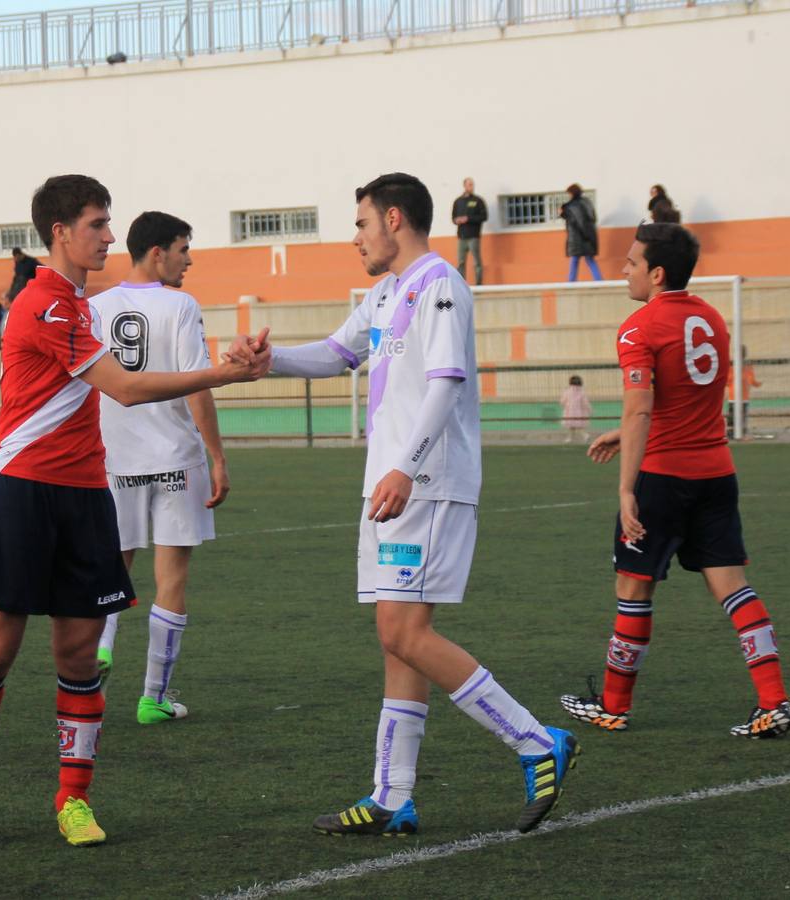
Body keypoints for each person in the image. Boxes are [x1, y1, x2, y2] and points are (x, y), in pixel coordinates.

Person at [236, 173, 578, 838]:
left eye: (361, 222)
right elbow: (337, 353)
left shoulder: (440, 284)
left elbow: (446, 384)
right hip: (391, 486)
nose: (355, 236)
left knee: (405, 635)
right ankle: (391, 796)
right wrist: (266, 359)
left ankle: (537, 741)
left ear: (393, 218)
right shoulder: (386, 291)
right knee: (397, 644)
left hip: (425, 483)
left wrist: (404, 467)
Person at [0, 174, 270, 851]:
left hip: (87, 493)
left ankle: (72, 800)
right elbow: (123, 388)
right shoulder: (45, 304)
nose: (109, 236)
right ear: (61, 231)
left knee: (79, 654)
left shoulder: (82, 303)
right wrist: (225, 373)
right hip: (20, 492)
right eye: (97, 223)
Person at [559, 223, 790, 739]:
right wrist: (621, 434)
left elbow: (643, 407)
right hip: (716, 473)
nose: (624, 270)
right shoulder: (711, 319)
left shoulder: (637, 327)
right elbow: (687, 403)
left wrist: (627, 489)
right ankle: (774, 702)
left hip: (662, 479)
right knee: (733, 587)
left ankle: (614, 707)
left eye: (630, 262)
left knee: (633, 587)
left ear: (657, 273)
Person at [89, 211, 230, 725]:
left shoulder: (96, 307)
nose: (188, 259)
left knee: (113, 566)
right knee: (171, 578)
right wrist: (217, 455)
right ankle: (154, 697)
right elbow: (197, 382)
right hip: (175, 458)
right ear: (157, 253)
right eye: (183, 248)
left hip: (115, 458)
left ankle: (100, 649)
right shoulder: (180, 305)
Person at [451, 177, 489, 285]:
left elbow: (484, 216)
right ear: (465, 186)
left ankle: (479, 285)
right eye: (470, 184)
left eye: (472, 184)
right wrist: (456, 220)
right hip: (462, 237)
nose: (472, 187)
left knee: (477, 262)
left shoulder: (478, 201)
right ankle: (461, 286)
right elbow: (453, 218)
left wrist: (468, 218)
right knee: (461, 263)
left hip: (473, 236)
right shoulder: (458, 201)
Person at [560, 184, 602, 281]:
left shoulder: (573, 205)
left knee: (575, 260)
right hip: (588, 236)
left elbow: (577, 221)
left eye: (569, 193)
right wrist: (589, 236)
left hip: (578, 237)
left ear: (572, 193)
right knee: (589, 259)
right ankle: (599, 281)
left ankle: (571, 282)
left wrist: (563, 213)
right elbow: (593, 218)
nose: (569, 195)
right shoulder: (587, 202)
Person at [726, 345, 760, 439]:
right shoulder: (731, 365)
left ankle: (741, 433)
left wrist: (756, 383)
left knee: (741, 416)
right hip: (734, 397)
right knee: (732, 417)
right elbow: (727, 380)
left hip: (743, 397)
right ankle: (731, 433)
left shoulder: (747, 366)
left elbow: (751, 379)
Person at [560, 374, 592, 443]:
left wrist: (564, 405)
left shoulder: (567, 391)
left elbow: (562, 401)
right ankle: (573, 438)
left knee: (571, 426)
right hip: (579, 412)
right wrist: (589, 409)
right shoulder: (582, 392)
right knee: (578, 426)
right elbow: (585, 402)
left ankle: (582, 436)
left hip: (569, 412)